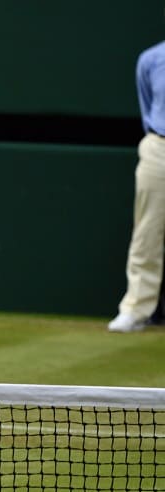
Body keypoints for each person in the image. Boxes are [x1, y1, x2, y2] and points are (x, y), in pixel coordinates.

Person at [108, 40, 165, 332]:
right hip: (159, 147)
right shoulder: (151, 59)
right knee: (147, 231)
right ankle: (136, 310)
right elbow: (147, 106)